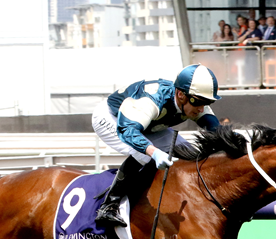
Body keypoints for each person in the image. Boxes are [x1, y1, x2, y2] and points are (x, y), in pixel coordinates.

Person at [91, 64, 222, 226]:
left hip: (146, 124)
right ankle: (109, 205)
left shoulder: (191, 100)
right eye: (198, 102)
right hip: (113, 119)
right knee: (144, 155)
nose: (202, 108)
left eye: (207, 102)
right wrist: (154, 152)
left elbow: (217, 132)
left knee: (189, 154)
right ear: (180, 94)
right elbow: (129, 131)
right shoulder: (152, 101)